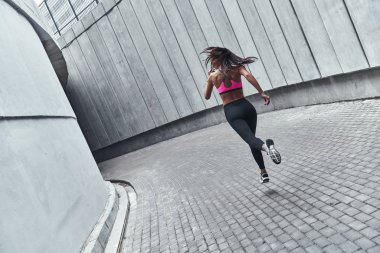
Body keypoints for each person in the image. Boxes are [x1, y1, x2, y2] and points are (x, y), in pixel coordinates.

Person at [202, 47, 281, 183]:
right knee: (252, 140)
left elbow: (207, 96)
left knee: (251, 140)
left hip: (232, 111)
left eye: (212, 60)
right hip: (247, 107)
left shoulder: (213, 75)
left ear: (217, 59)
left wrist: (209, 79)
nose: (211, 63)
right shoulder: (236, 67)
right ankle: (263, 173)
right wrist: (261, 92)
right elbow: (248, 76)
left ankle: (267, 148)